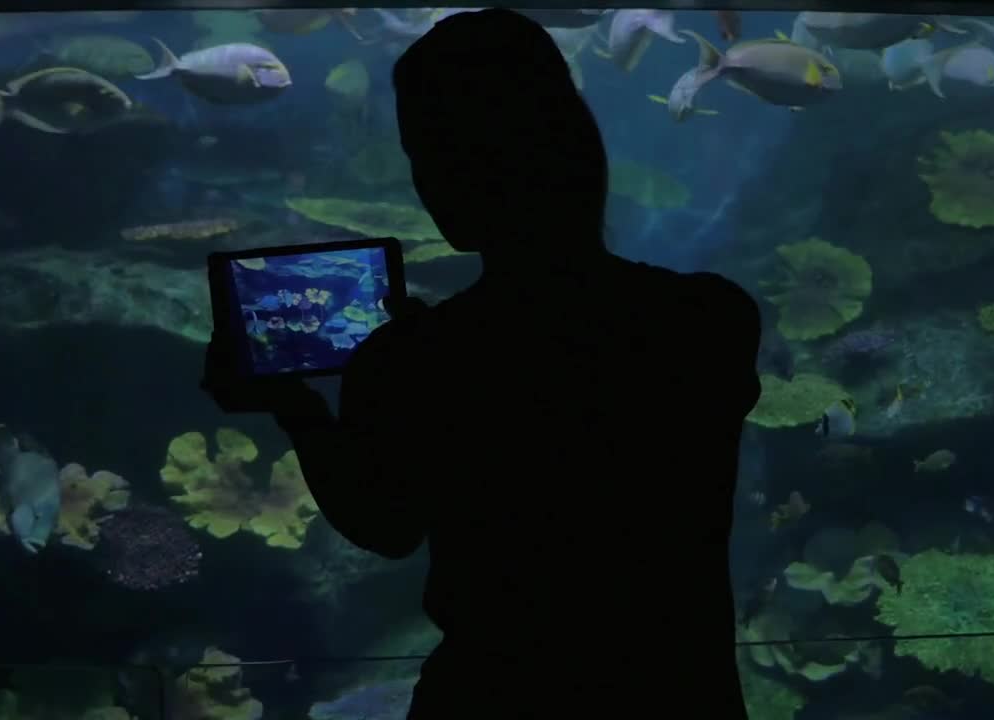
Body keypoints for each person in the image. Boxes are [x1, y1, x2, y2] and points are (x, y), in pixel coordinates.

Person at [202, 9, 762, 718]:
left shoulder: (418, 359)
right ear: (574, 142)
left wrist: (297, 404)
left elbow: (385, 524)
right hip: (678, 694)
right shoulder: (709, 319)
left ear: (452, 173)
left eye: (429, 152)